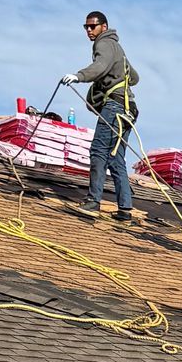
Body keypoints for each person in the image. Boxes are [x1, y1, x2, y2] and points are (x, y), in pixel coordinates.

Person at [67, 11, 140, 221]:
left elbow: (99, 67)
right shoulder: (118, 48)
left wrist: (79, 76)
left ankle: (92, 202)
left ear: (104, 27)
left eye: (93, 26)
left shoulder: (104, 44)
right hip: (128, 109)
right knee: (116, 158)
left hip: (114, 108)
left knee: (98, 151)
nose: (89, 30)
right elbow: (134, 77)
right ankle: (125, 209)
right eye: (86, 27)